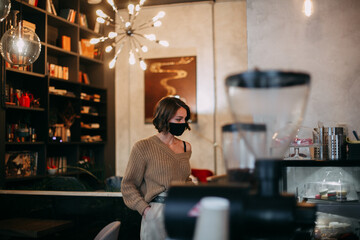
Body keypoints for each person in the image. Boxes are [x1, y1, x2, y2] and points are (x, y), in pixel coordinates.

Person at [121, 96, 193, 240]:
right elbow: (128, 185)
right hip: (156, 212)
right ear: (165, 118)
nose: (183, 124)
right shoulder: (143, 147)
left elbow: (185, 179)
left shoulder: (186, 147)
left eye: (185, 119)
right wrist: (145, 210)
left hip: (181, 210)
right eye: (178, 119)